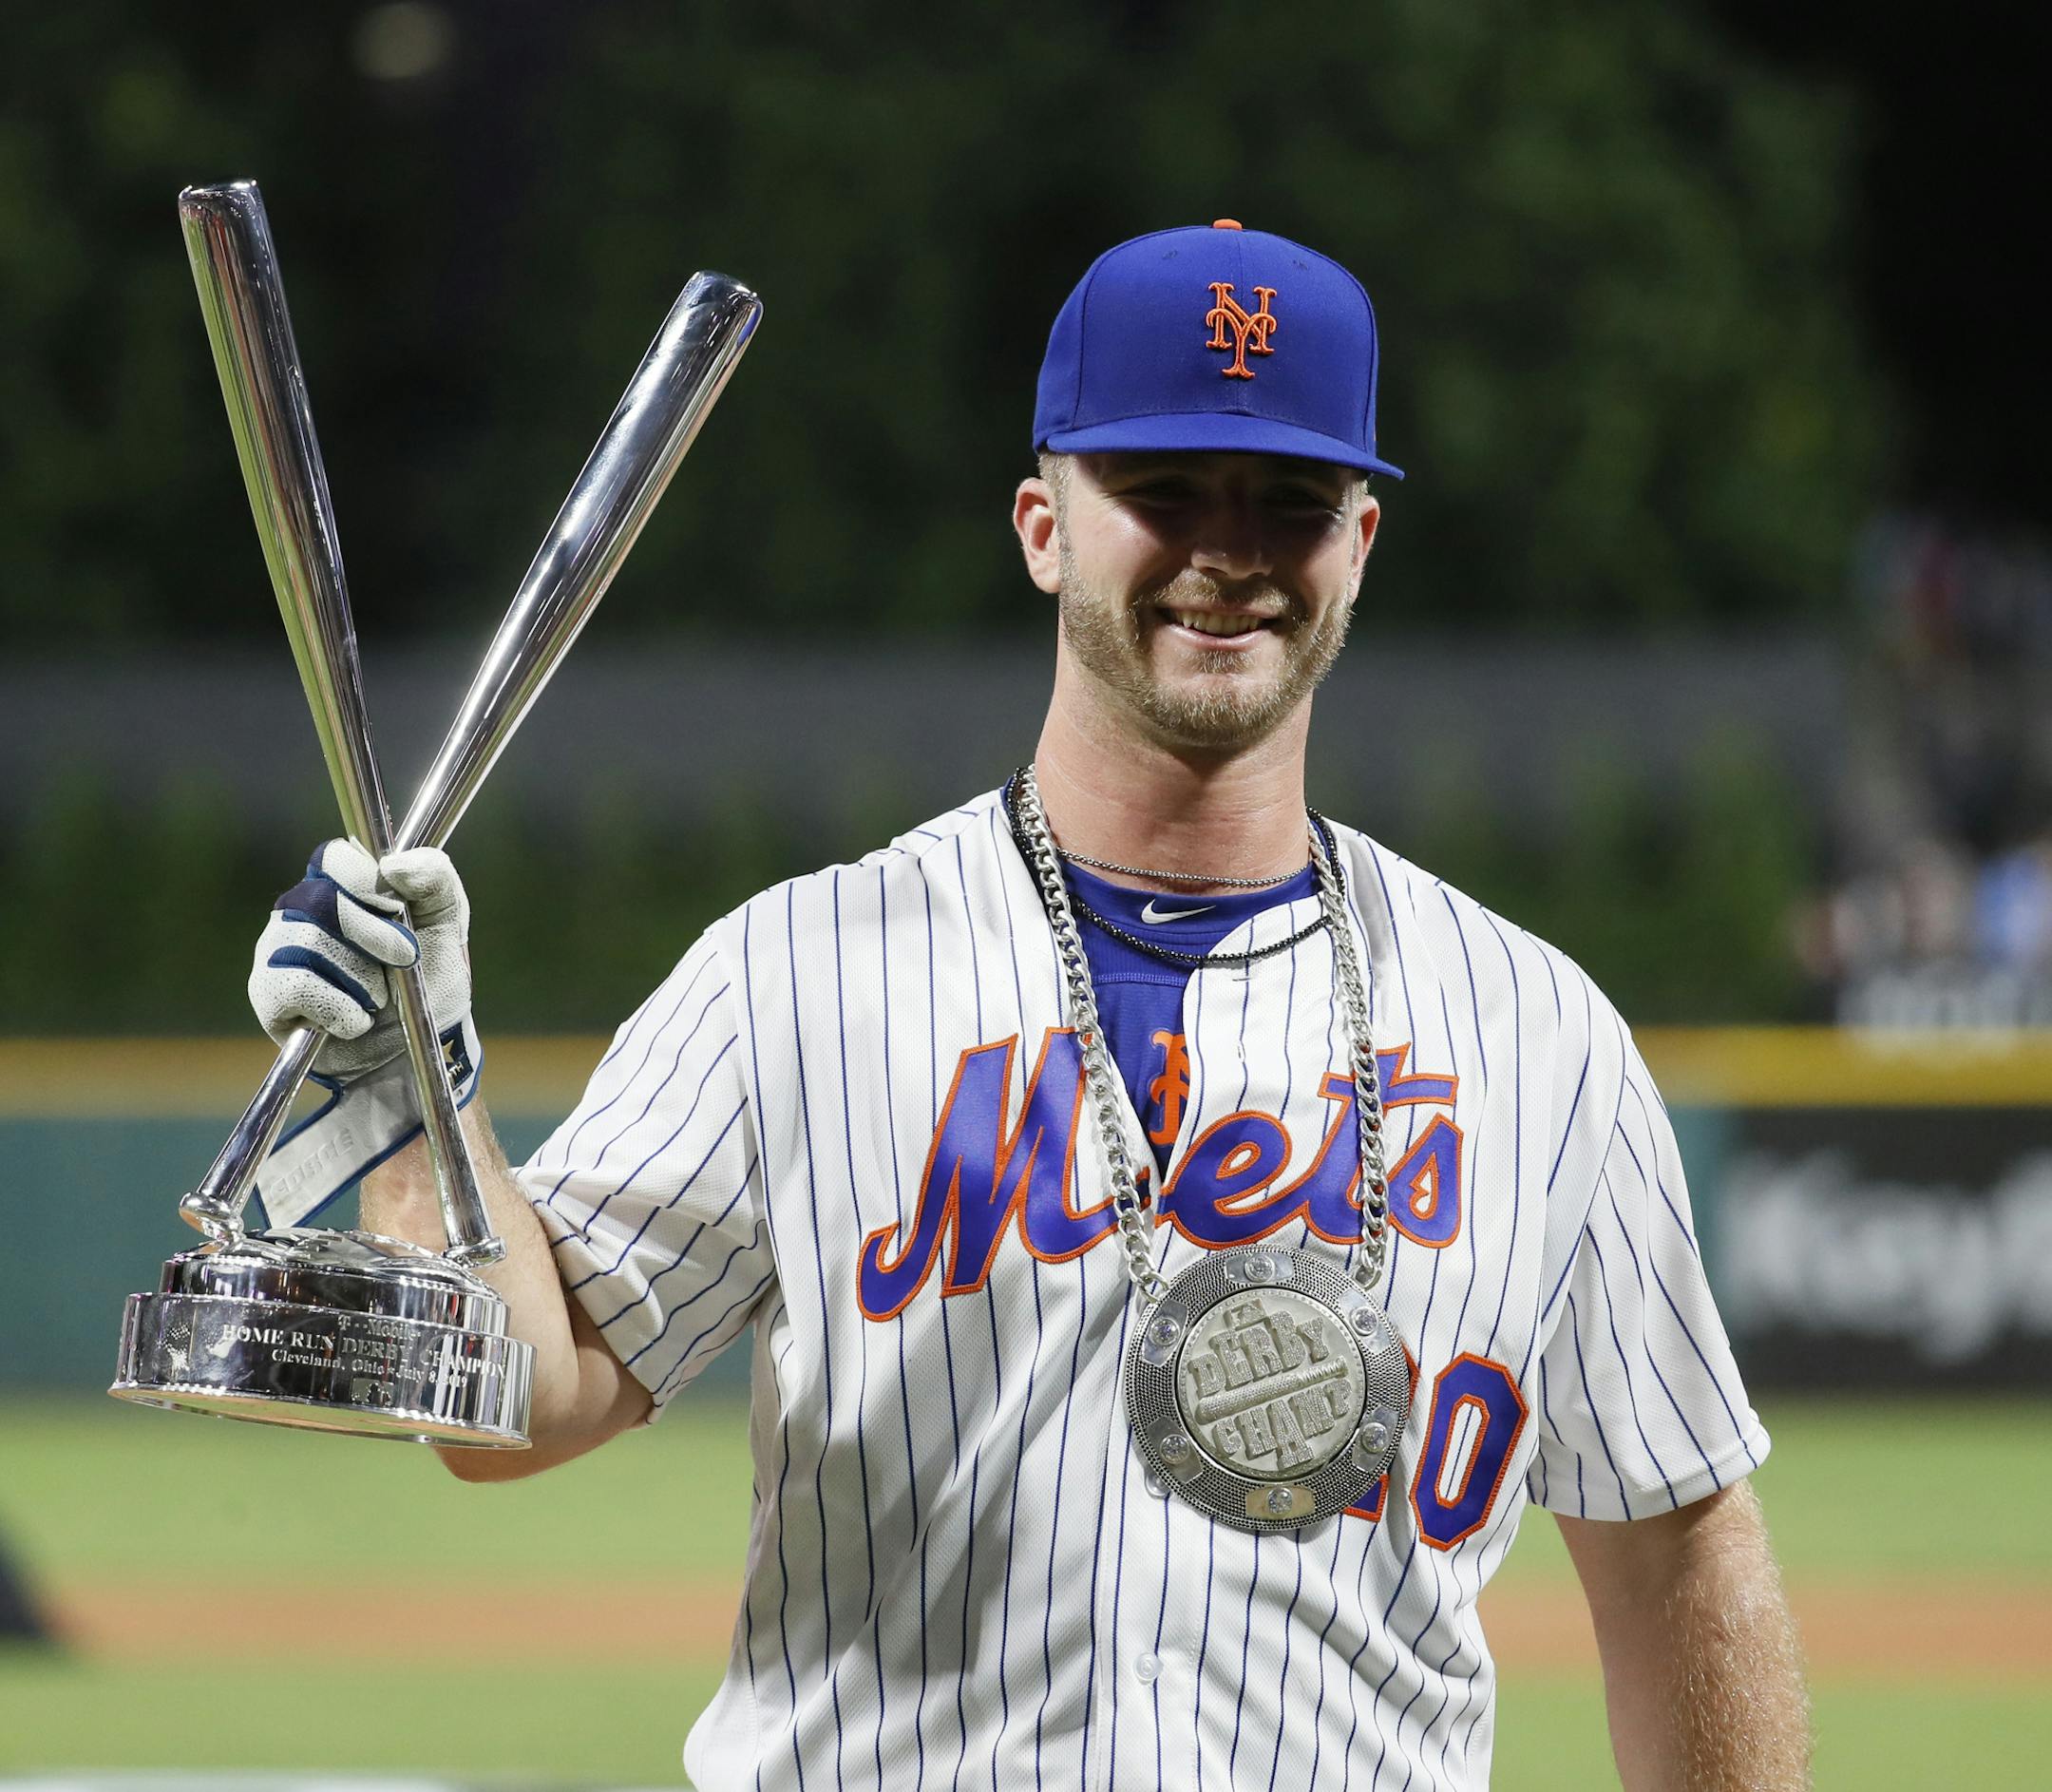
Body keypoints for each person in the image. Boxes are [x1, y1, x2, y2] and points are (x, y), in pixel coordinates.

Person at [250, 220, 1809, 1789]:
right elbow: (519, 1402)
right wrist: (414, 1099)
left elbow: (1680, 1545)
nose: (1230, 547)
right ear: (1043, 524)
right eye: (1164, 489)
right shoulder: (795, 971)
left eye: (1290, 500)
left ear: (1362, 541)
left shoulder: (1541, 1035)